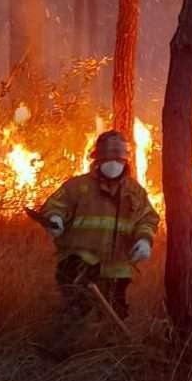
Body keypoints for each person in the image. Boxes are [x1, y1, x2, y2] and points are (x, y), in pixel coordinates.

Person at [39, 130, 159, 346]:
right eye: (107, 159)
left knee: (115, 316)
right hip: (79, 263)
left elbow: (147, 218)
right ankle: (63, 352)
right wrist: (55, 219)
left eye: (118, 160)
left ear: (125, 161)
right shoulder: (78, 186)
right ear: (97, 160)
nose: (113, 164)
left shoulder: (134, 191)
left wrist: (144, 240)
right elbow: (54, 206)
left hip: (118, 268)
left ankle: (107, 355)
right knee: (76, 311)